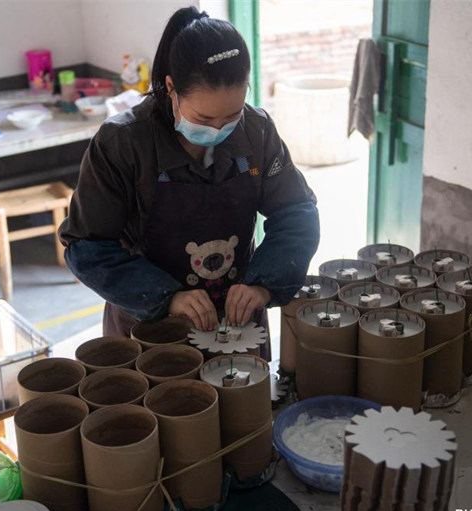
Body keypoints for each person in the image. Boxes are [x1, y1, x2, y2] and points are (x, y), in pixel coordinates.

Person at [59, 6, 319, 360]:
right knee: (161, 411)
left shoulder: (256, 133)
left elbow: (296, 211)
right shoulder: (122, 143)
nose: (217, 130)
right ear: (171, 89)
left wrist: (262, 285)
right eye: (204, 118)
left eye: (232, 115)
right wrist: (166, 297)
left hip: (238, 319)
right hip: (150, 325)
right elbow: (87, 245)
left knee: (247, 410)